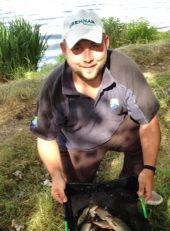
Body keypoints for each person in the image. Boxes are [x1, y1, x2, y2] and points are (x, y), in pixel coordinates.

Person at [30, 8, 162, 205]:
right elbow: (45, 138)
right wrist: (56, 174)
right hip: (78, 144)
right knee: (77, 194)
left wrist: (149, 169)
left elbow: (149, 122)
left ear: (106, 42)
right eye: (77, 48)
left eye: (94, 45)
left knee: (140, 135)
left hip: (119, 130)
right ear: (64, 49)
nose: (88, 57)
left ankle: (135, 185)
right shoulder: (54, 87)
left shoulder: (124, 68)